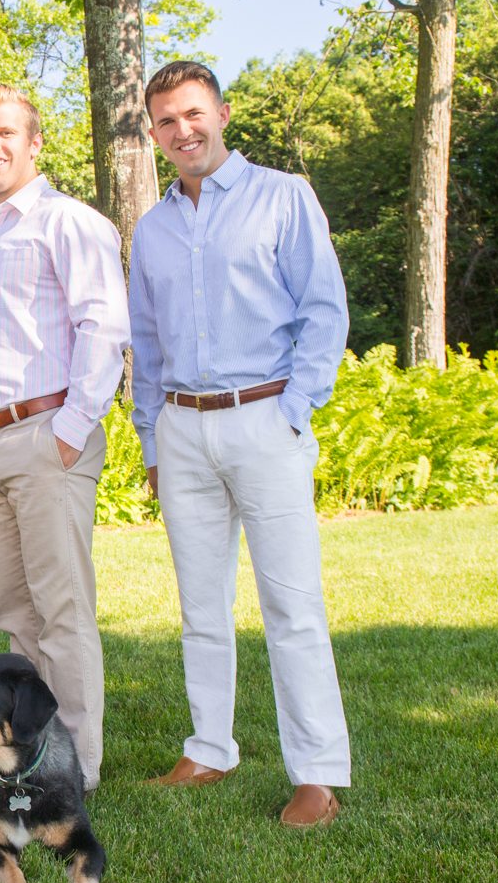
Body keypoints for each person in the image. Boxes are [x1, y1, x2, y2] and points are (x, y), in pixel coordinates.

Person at [129, 60, 351, 827]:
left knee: (292, 605)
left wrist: (294, 410)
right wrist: (152, 441)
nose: (182, 130)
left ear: (222, 114)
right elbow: (146, 342)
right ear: (153, 133)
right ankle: (209, 748)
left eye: (194, 113)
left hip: (265, 418)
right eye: (166, 121)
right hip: (182, 429)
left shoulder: (283, 197)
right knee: (200, 606)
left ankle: (316, 773)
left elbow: (323, 311)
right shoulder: (152, 229)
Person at [0, 84, 128, 795]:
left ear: (34, 141)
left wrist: (71, 430)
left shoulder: (68, 222)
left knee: (61, 610)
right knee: (14, 612)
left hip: (49, 433)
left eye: (7, 133)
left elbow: (103, 327)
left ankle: (79, 769)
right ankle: (37, 753)